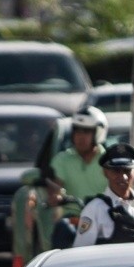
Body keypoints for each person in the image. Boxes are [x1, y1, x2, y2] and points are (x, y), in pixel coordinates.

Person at [44, 107, 110, 249]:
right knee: (62, 231)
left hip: (104, 219)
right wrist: (55, 196)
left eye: (86, 131)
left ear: (98, 133)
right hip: (75, 219)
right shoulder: (62, 159)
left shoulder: (108, 161)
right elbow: (55, 186)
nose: (80, 136)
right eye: (77, 130)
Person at [72, 142, 134, 245]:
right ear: (105, 173)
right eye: (116, 171)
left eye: (127, 171)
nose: (123, 177)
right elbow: (81, 252)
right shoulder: (94, 210)